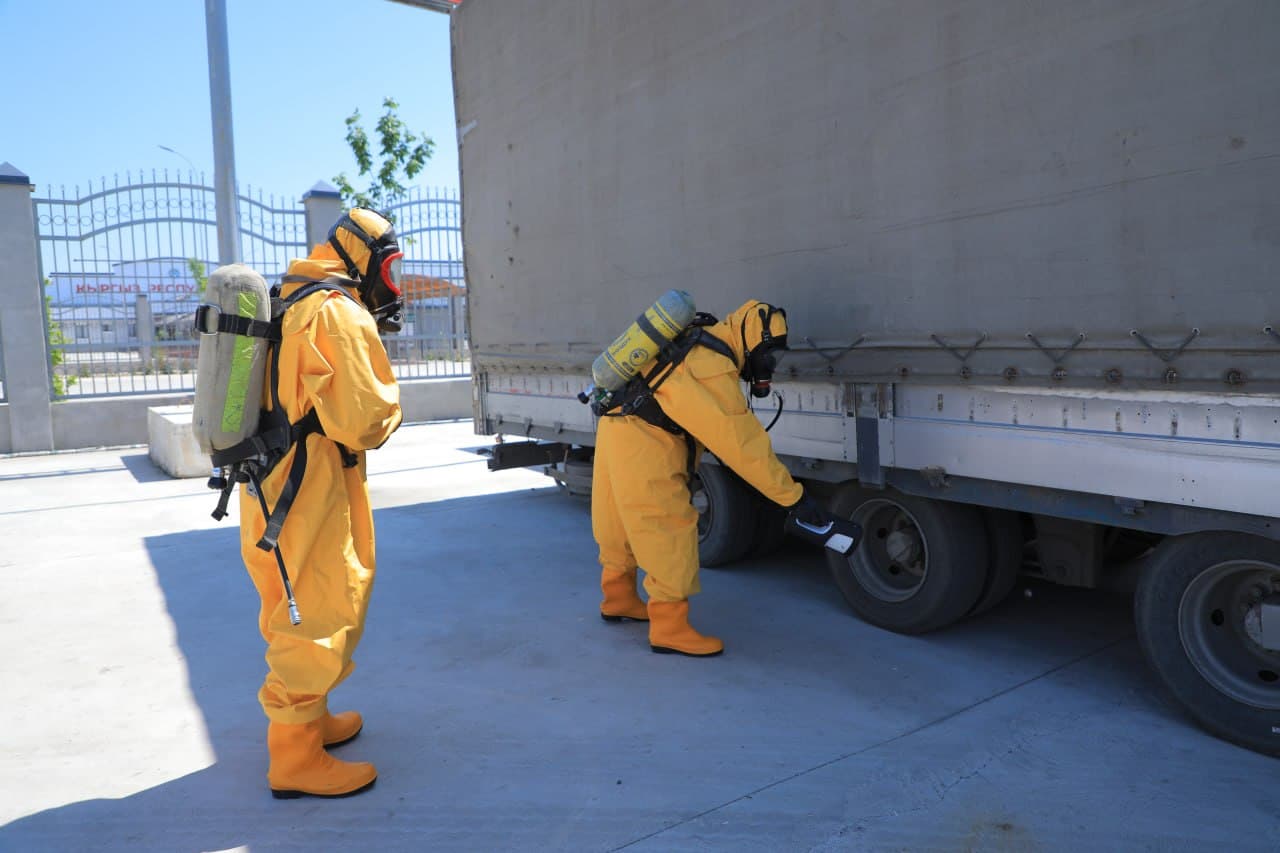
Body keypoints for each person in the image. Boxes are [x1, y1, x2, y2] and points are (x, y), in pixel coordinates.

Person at [239, 207, 404, 798]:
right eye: (391, 268)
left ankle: (312, 718)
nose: (393, 284)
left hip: (271, 483)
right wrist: (393, 409)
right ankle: (294, 758)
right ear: (364, 258)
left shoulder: (292, 298)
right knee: (319, 606)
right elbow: (365, 422)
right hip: (310, 488)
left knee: (294, 604)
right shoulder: (336, 311)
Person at [591, 299, 829, 656]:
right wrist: (793, 498)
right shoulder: (711, 365)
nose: (768, 365)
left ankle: (618, 596)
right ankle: (670, 627)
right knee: (666, 525)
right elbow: (741, 446)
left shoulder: (693, 341)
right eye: (767, 355)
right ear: (751, 340)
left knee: (617, 519)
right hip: (647, 444)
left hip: (616, 429)